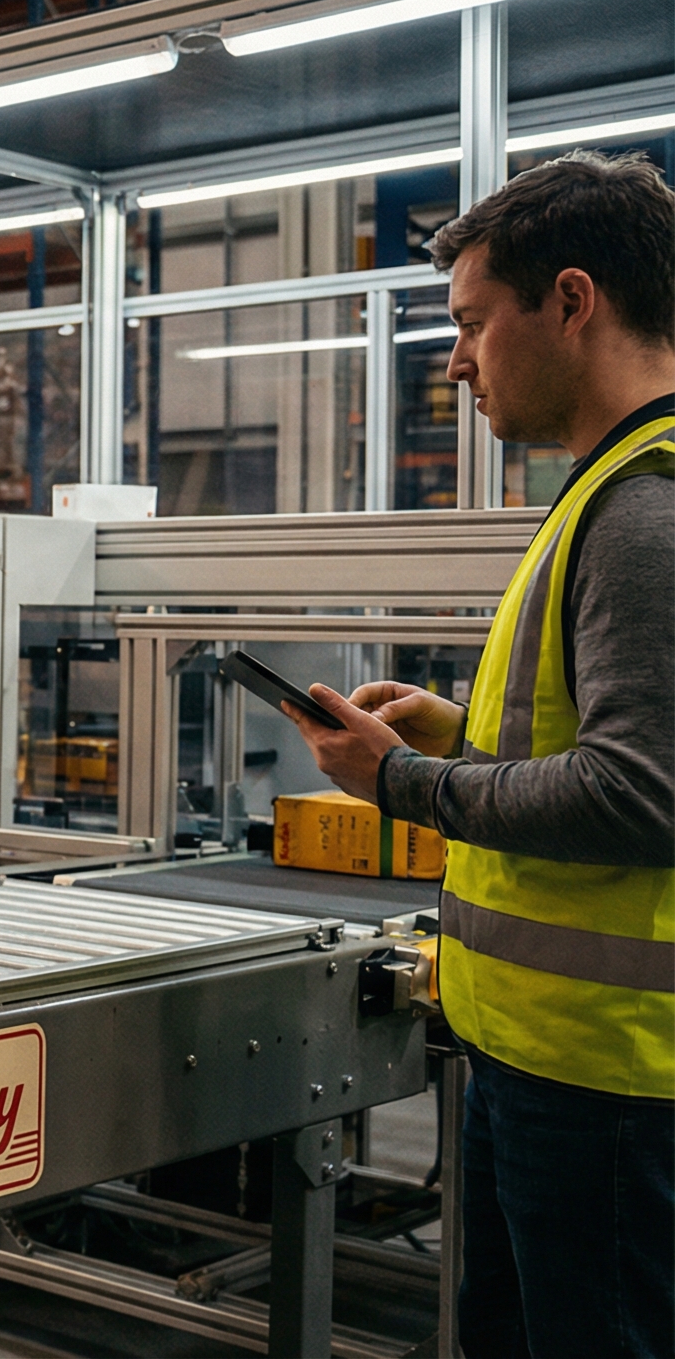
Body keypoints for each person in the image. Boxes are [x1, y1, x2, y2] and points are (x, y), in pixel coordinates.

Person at [284, 151, 675, 1357]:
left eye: (469, 323)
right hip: (547, 1061)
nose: (454, 363)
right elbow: (605, 739)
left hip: (609, 1083)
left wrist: (400, 783)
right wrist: (460, 736)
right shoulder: (605, 494)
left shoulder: (643, 511)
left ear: (571, 301)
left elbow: (642, 794)